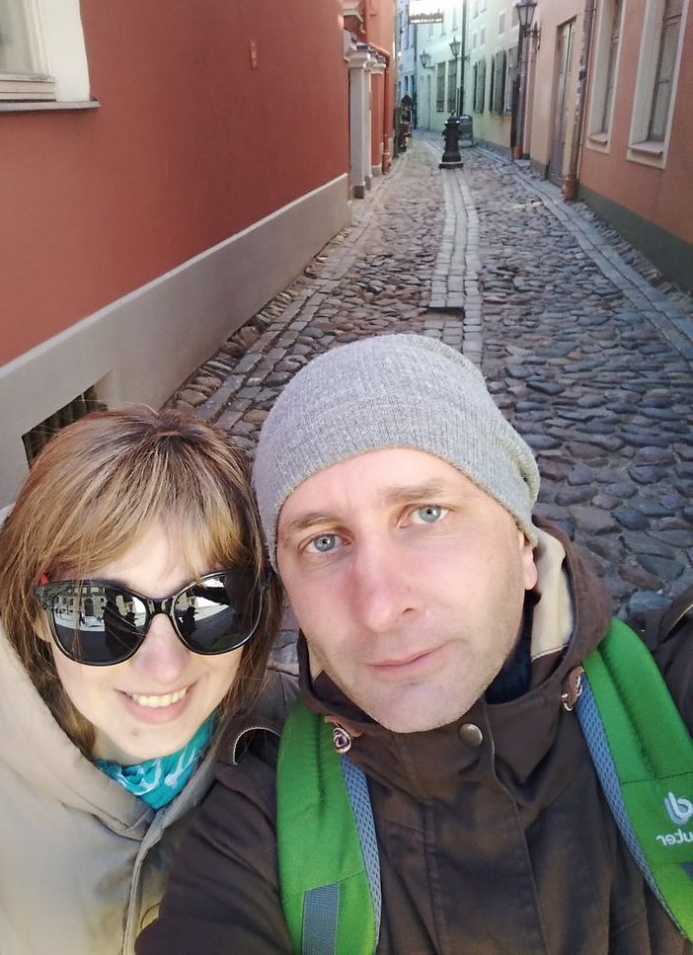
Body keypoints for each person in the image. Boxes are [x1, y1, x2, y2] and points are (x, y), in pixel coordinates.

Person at [137, 334, 693, 955]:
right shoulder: (258, 821)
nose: (380, 609)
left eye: (426, 513)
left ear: (522, 542)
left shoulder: (673, 698)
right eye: (323, 542)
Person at [0, 407, 288, 955]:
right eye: (103, 611)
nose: (164, 667)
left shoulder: (303, 738)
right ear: (37, 614)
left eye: (209, 603)